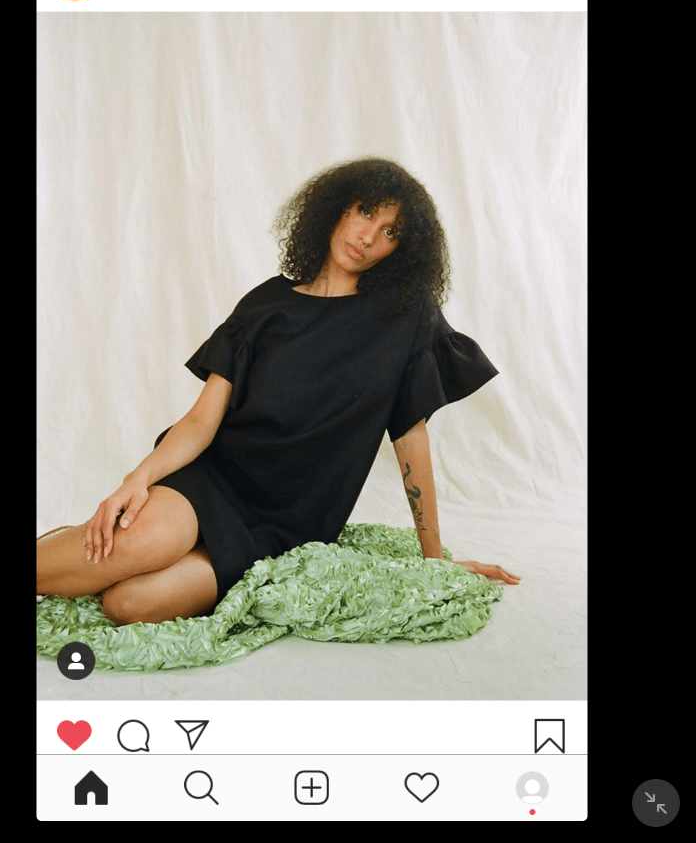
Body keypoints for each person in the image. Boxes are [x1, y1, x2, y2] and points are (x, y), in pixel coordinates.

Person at [37, 157, 520, 626]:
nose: (368, 237)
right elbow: (202, 421)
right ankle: (108, 544)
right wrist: (136, 480)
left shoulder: (406, 316)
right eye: (365, 212)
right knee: (146, 543)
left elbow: (411, 436)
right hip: (214, 481)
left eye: (390, 232)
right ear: (337, 209)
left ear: (402, 250)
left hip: (287, 524)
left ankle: (79, 548)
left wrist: (433, 559)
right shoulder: (266, 304)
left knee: (129, 604)